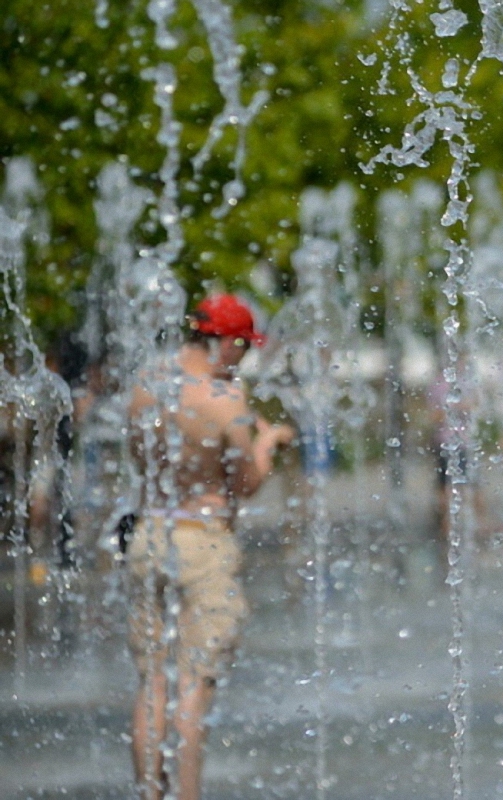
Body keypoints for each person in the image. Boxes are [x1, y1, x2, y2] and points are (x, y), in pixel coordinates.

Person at [126, 294, 294, 800]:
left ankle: (150, 796)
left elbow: (140, 462)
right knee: (193, 691)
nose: (242, 358)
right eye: (242, 347)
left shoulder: (144, 386)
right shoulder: (225, 401)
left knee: (152, 685)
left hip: (149, 535)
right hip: (203, 544)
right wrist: (266, 446)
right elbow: (244, 484)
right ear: (226, 342)